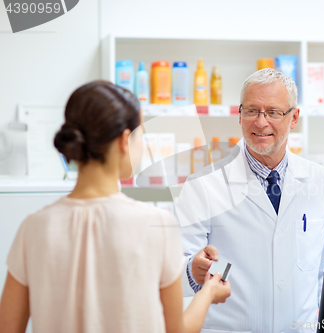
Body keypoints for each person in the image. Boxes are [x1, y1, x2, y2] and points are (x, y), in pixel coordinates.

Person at [0, 81, 230, 333]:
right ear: (124, 140)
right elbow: (177, 330)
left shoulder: (34, 227)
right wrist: (207, 293)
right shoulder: (156, 224)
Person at [175, 69, 324, 333]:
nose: (260, 122)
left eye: (273, 112)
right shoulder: (203, 185)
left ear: (294, 118)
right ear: (239, 115)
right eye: (251, 111)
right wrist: (192, 269)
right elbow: (174, 274)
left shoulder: (321, 182)